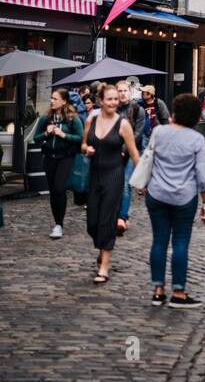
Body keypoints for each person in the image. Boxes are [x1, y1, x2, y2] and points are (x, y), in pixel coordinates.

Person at [144, 92, 205, 308]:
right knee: (180, 243)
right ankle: (179, 293)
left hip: (157, 194)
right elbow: (202, 173)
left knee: (159, 241)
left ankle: (157, 291)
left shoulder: (159, 132)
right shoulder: (196, 139)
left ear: (174, 111)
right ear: (196, 117)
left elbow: (149, 159)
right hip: (184, 197)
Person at [83, 82, 139, 283]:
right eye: (110, 99)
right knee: (92, 223)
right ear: (101, 101)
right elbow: (83, 143)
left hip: (115, 176)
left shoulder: (123, 124)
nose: (114, 102)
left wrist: (143, 181)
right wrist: (86, 149)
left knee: (107, 220)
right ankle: (102, 247)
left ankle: (104, 268)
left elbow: (134, 154)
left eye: (116, 99)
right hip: (95, 175)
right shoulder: (91, 119)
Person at [34, 88, 83, 238]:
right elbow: (36, 138)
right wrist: (47, 133)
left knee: (59, 188)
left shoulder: (72, 118)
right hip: (49, 157)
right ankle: (57, 223)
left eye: (55, 99)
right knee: (54, 192)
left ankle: (59, 225)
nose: (52, 101)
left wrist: (63, 134)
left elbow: (80, 138)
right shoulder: (46, 117)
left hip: (65, 158)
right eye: (51, 98)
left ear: (64, 101)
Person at [117, 79, 148, 235]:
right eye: (120, 91)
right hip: (113, 152)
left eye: (125, 90)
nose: (122, 93)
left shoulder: (137, 110)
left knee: (125, 184)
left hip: (130, 152)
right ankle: (120, 215)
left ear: (130, 92)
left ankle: (121, 218)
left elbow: (137, 133)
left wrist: (124, 148)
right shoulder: (112, 109)